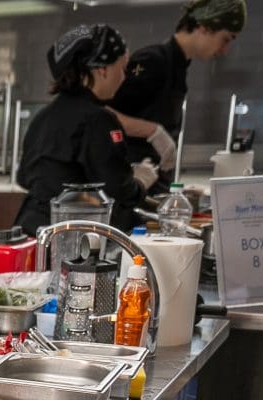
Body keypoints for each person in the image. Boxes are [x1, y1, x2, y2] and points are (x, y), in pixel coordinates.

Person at [15, 24, 157, 235]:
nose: (124, 77)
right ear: (102, 69)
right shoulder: (98, 119)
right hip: (70, 235)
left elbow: (24, 177)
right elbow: (118, 189)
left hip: (29, 229)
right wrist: (140, 181)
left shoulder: (43, 116)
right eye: (122, 68)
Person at [109, 0, 248, 189]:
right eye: (226, 39)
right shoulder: (153, 61)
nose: (225, 50)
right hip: (129, 186)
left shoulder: (178, 68)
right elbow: (102, 114)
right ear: (204, 27)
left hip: (153, 187)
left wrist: (176, 191)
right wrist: (152, 131)